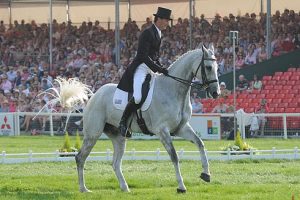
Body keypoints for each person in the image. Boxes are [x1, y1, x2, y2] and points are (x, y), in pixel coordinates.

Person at [117, 7, 172, 137]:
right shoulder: (147, 33)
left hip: (151, 68)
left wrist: (163, 68)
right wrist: (158, 69)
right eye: (166, 20)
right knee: (137, 97)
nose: (167, 23)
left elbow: (154, 56)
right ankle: (123, 122)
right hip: (141, 68)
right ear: (158, 19)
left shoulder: (158, 33)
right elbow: (143, 56)